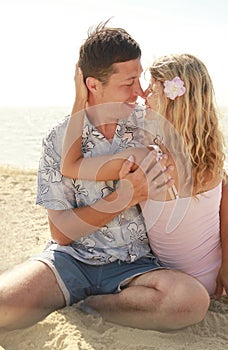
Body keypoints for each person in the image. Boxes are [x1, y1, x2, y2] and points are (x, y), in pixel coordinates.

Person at [0, 22, 213, 332]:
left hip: (138, 266)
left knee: (189, 301)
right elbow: (61, 232)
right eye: (128, 83)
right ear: (93, 85)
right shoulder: (59, 139)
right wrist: (125, 196)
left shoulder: (151, 125)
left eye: (140, 80)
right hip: (71, 260)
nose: (140, 92)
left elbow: (206, 159)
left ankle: (90, 307)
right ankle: (69, 294)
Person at [60, 52, 228, 309]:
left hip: (186, 286)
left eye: (151, 90)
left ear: (173, 100)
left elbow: (70, 165)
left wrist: (79, 99)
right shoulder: (212, 158)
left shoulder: (146, 159)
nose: (142, 95)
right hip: (211, 283)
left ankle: (93, 307)